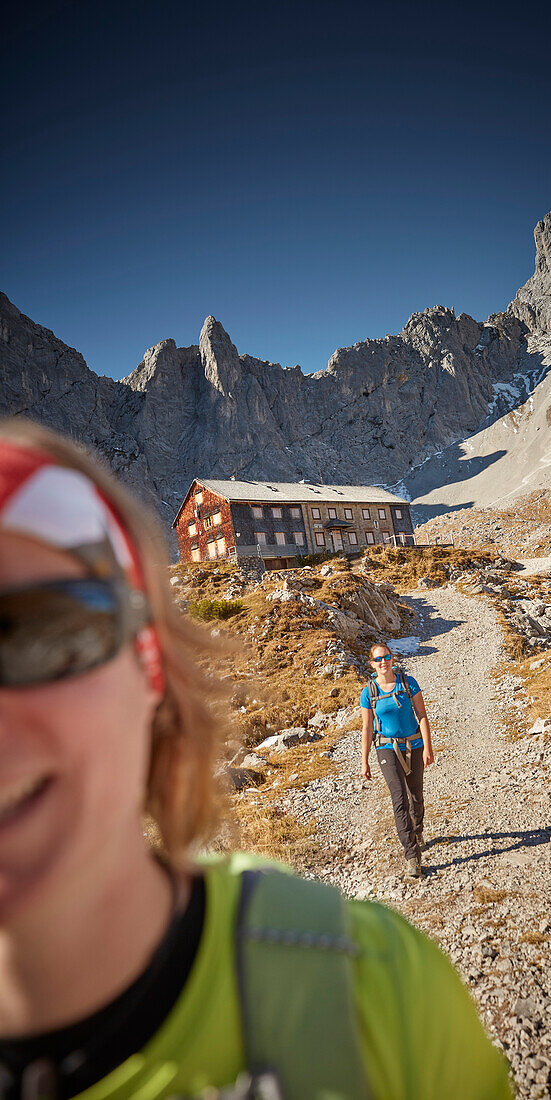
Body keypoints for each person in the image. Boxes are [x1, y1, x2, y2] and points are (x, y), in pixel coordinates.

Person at [0, 420, 513, 1100]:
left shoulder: (375, 992)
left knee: (409, 799)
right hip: (384, 752)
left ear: (149, 670)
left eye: (43, 635)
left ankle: (415, 842)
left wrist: (421, 737)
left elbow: (418, 712)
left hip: (402, 755)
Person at [360, 644, 433, 879]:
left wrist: (428, 747)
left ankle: (418, 830)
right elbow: (367, 729)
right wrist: (364, 761)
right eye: (379, 659)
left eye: (387, 657)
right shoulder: (368, 692)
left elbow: (422, 716)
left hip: (414, 744)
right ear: (372, 664)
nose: (384, 662)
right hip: (385, 748)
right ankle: (412, 856)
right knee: (399, 797)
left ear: (392, 659)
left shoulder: (408, 683)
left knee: (416, 795)